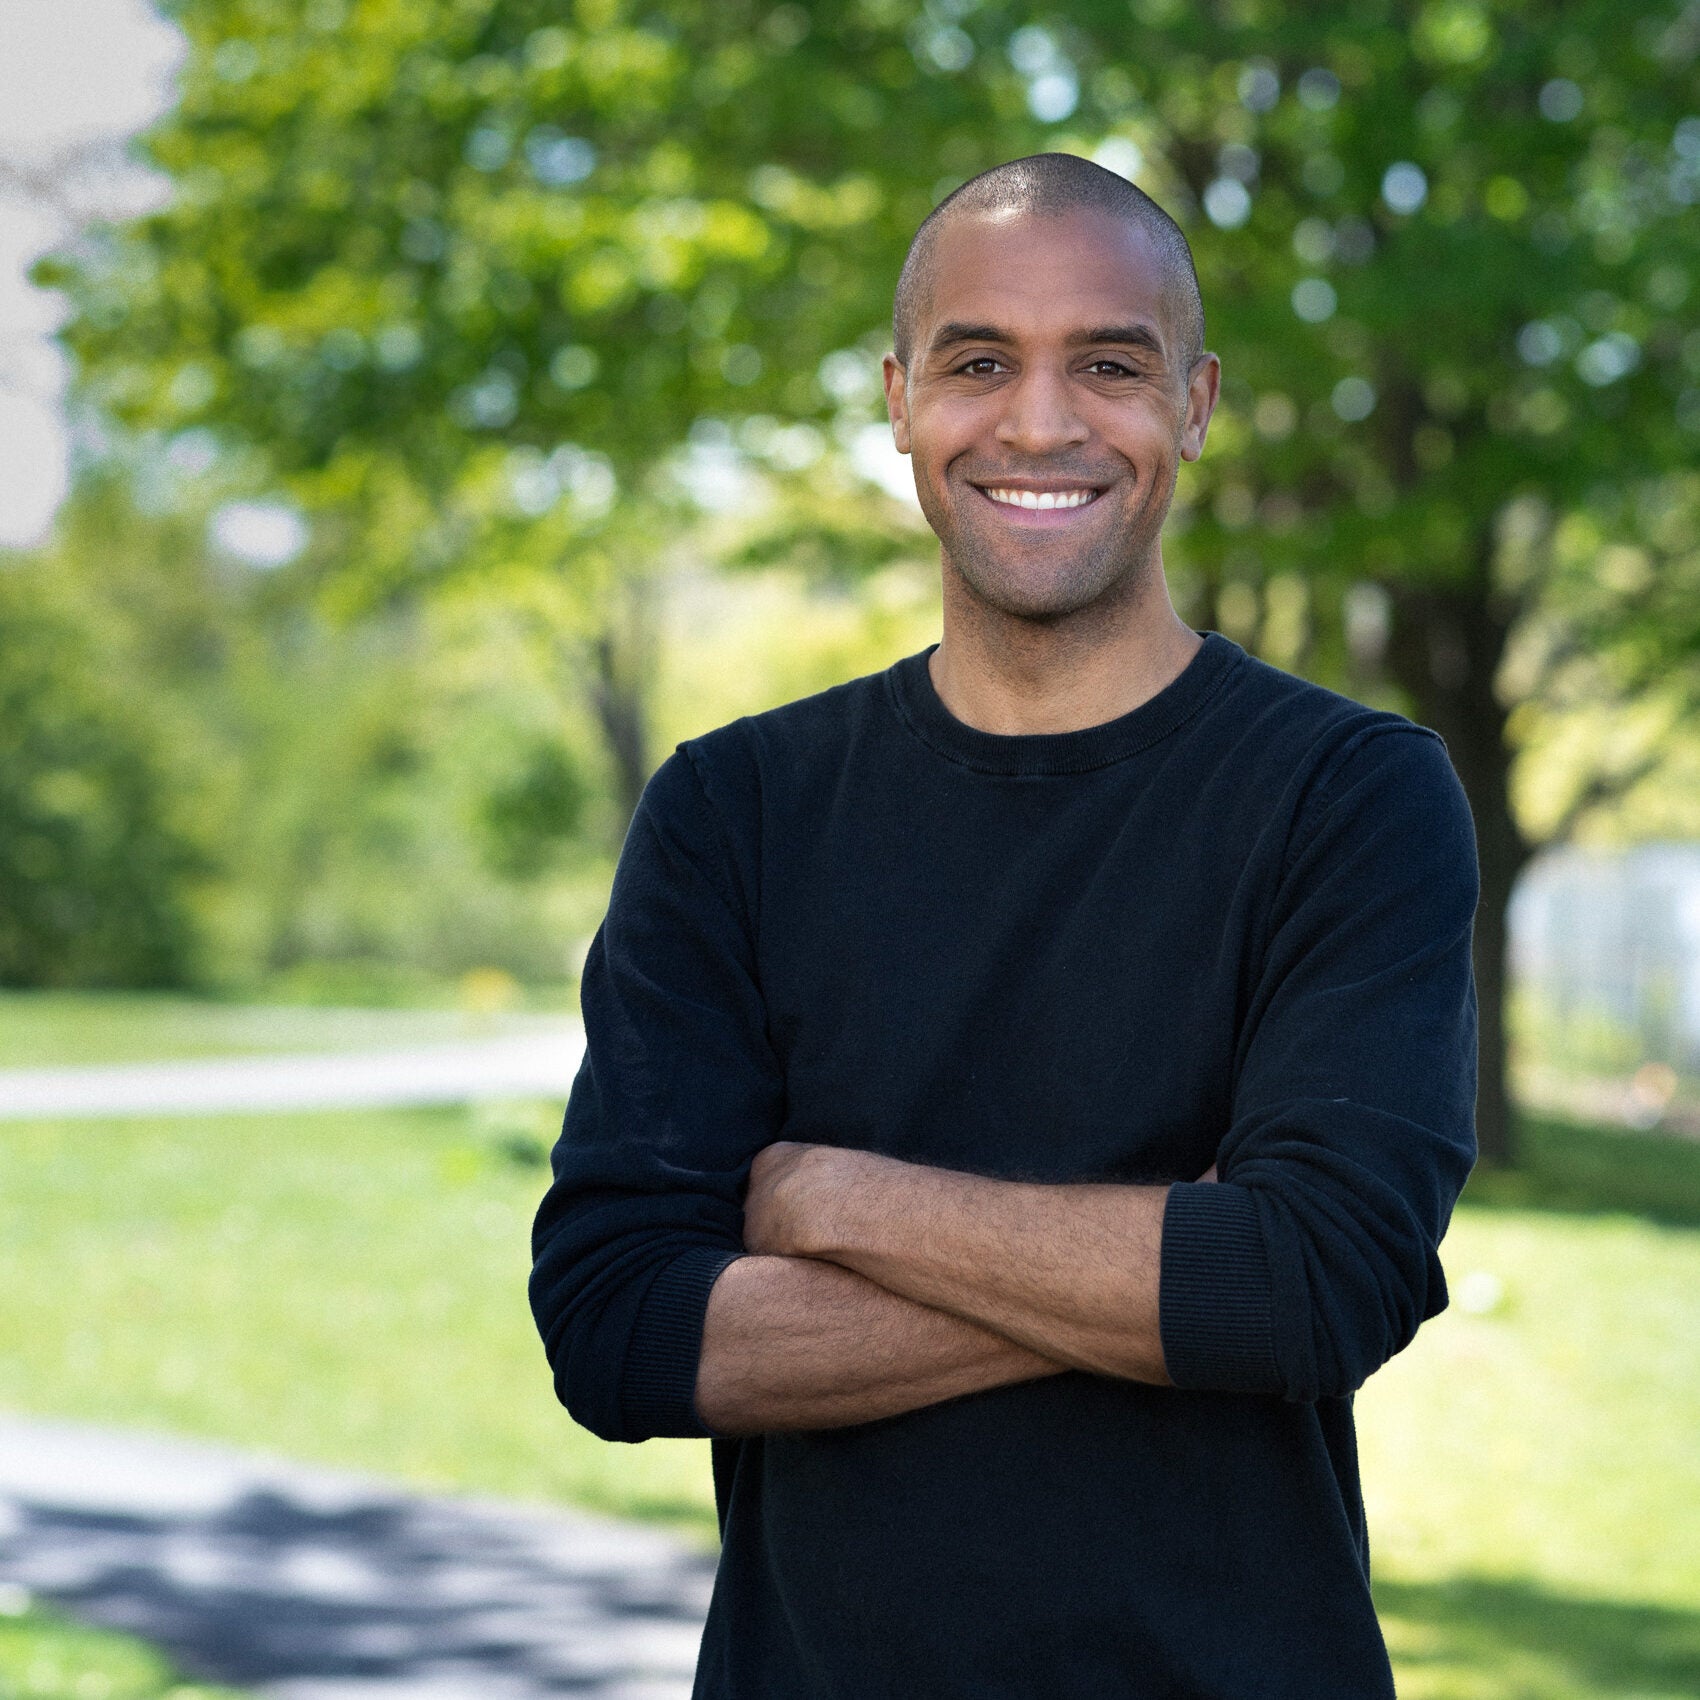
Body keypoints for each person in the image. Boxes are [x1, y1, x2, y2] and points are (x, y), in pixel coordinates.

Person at [531, 153, 1478, 1699]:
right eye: (980, 363)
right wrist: (1184, 1260)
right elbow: (623, 1333)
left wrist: (834, 1197)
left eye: (1110, 363)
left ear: (1196, 403)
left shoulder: (1349, 795)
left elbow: (1321, 1284)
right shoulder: (735, 811)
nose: (1040, 423)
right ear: (901, 399)